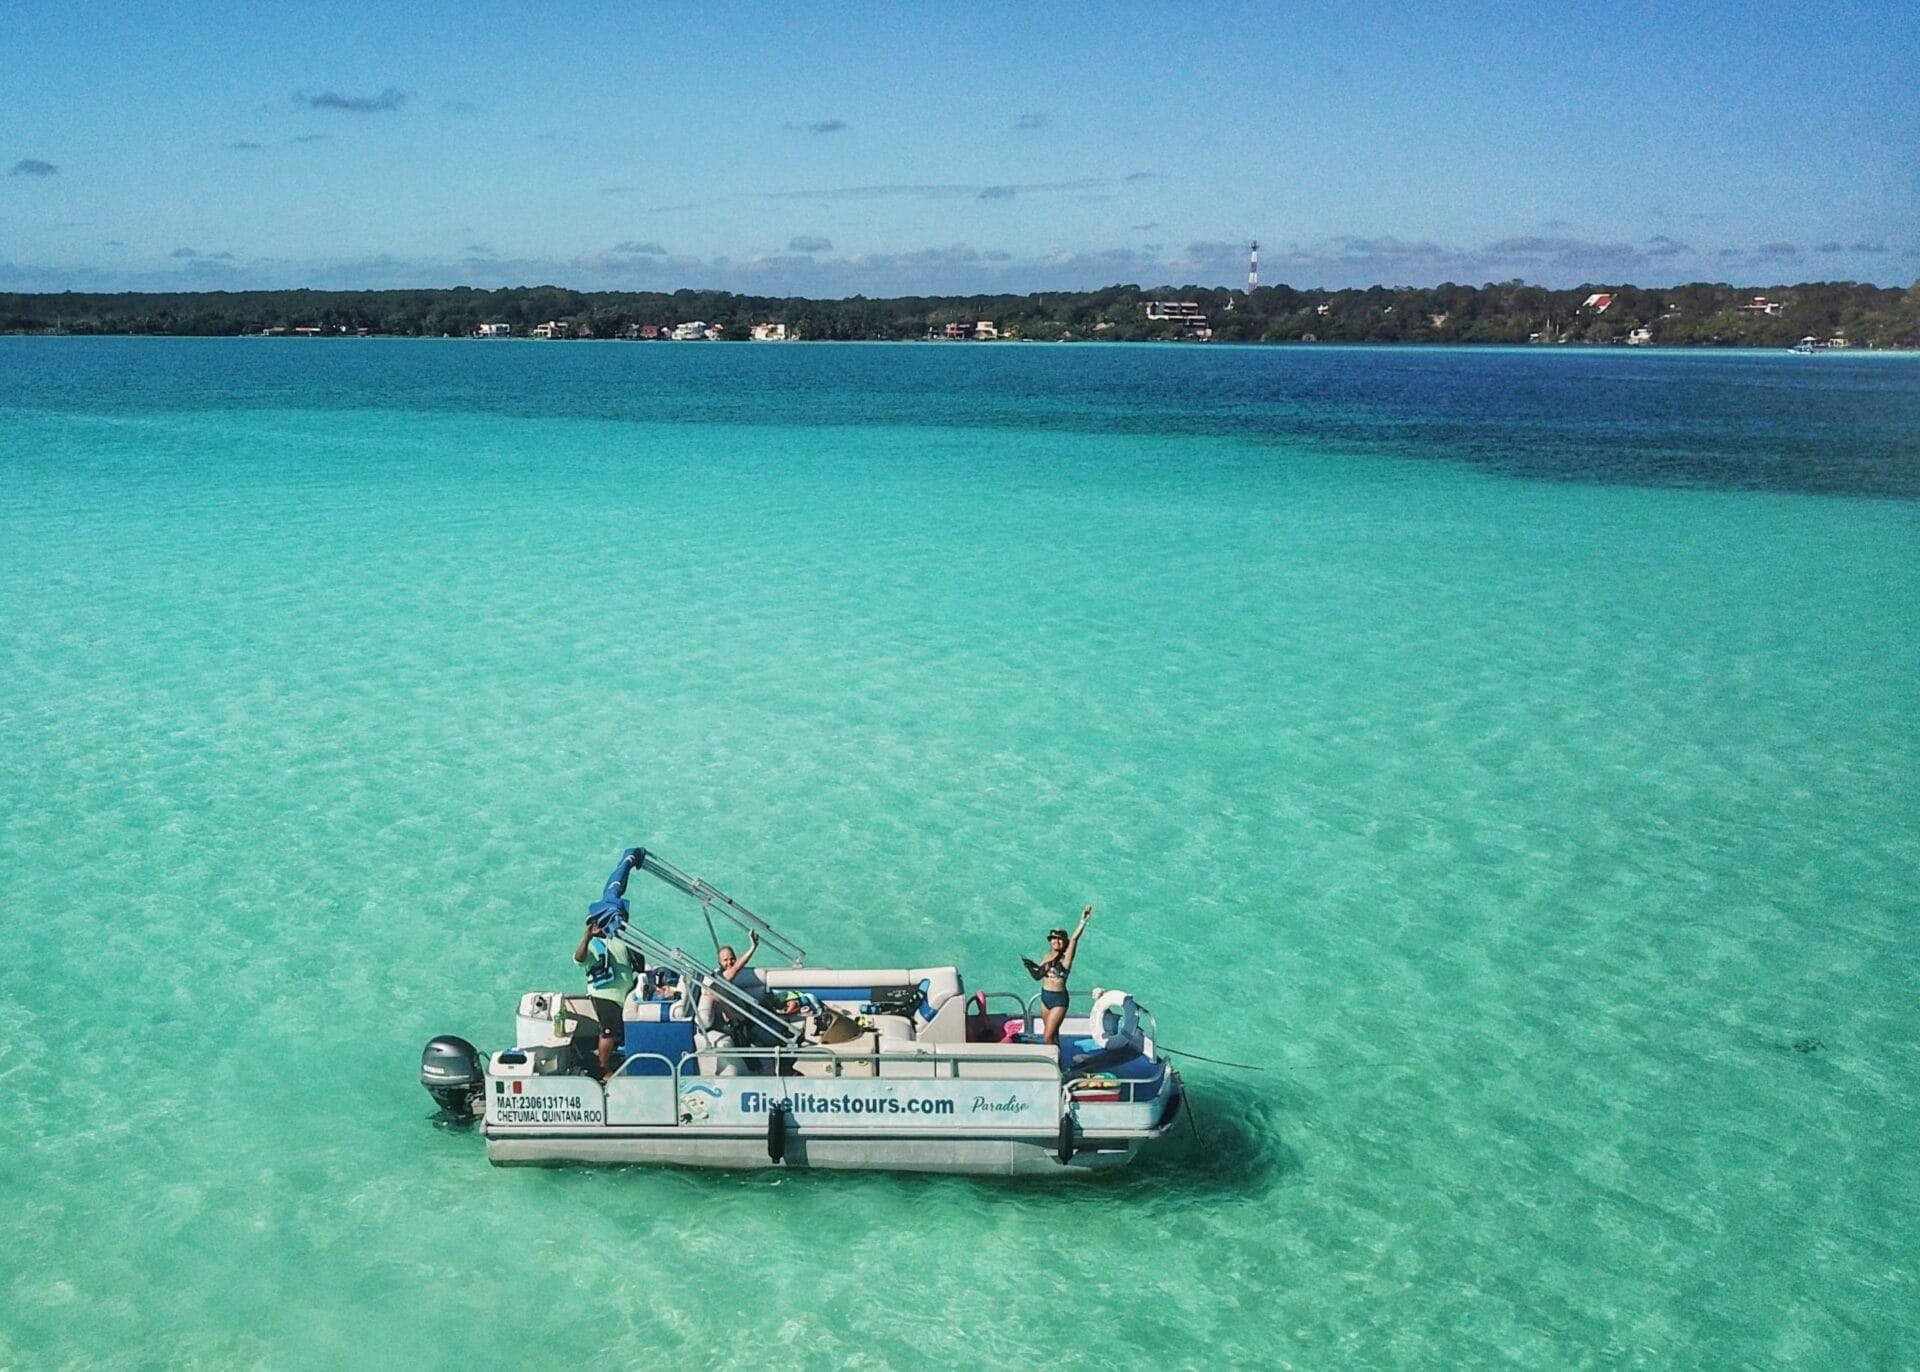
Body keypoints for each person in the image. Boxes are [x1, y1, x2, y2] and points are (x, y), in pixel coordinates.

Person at [573, 906, 640, 1081]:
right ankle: (603, 1070)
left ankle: (613, 1060)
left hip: (622, 995)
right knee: (608, 1032)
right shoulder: (593, 946)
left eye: (598, 923)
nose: (596, 926)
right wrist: (586, 938)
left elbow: (638, 963)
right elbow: (579, 958)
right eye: (592, 924)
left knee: (616, 1032)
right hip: (605, 995)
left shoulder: (618, 940)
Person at [1022, 905, 1092, 1045]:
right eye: (1054, 938)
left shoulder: (1066, 958)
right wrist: (1031, 967)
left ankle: (1051, 1064)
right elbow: (1039, 975)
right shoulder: (1046, 956)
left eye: (1060, 939)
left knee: (1047, 1037)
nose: (1056, 941)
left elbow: (1074, 940)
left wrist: (1083, 921)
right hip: (1045, 997)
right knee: (1054, 1035)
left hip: (1059, 1000)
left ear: (1064, 942)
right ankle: (1059, 1060)